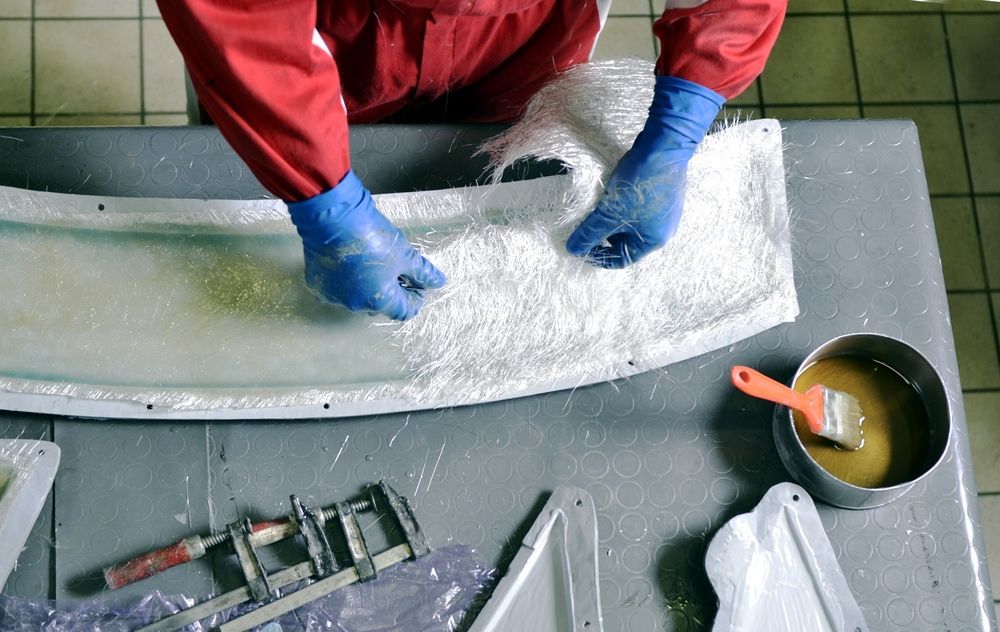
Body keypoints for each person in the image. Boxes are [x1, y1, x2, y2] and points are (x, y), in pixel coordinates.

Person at [157, 0, 785, 321]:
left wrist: (681, 123)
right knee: (267, 131)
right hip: (337, 22)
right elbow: (239, 20)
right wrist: (322, 201)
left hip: (533, 24)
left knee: (510, 142)